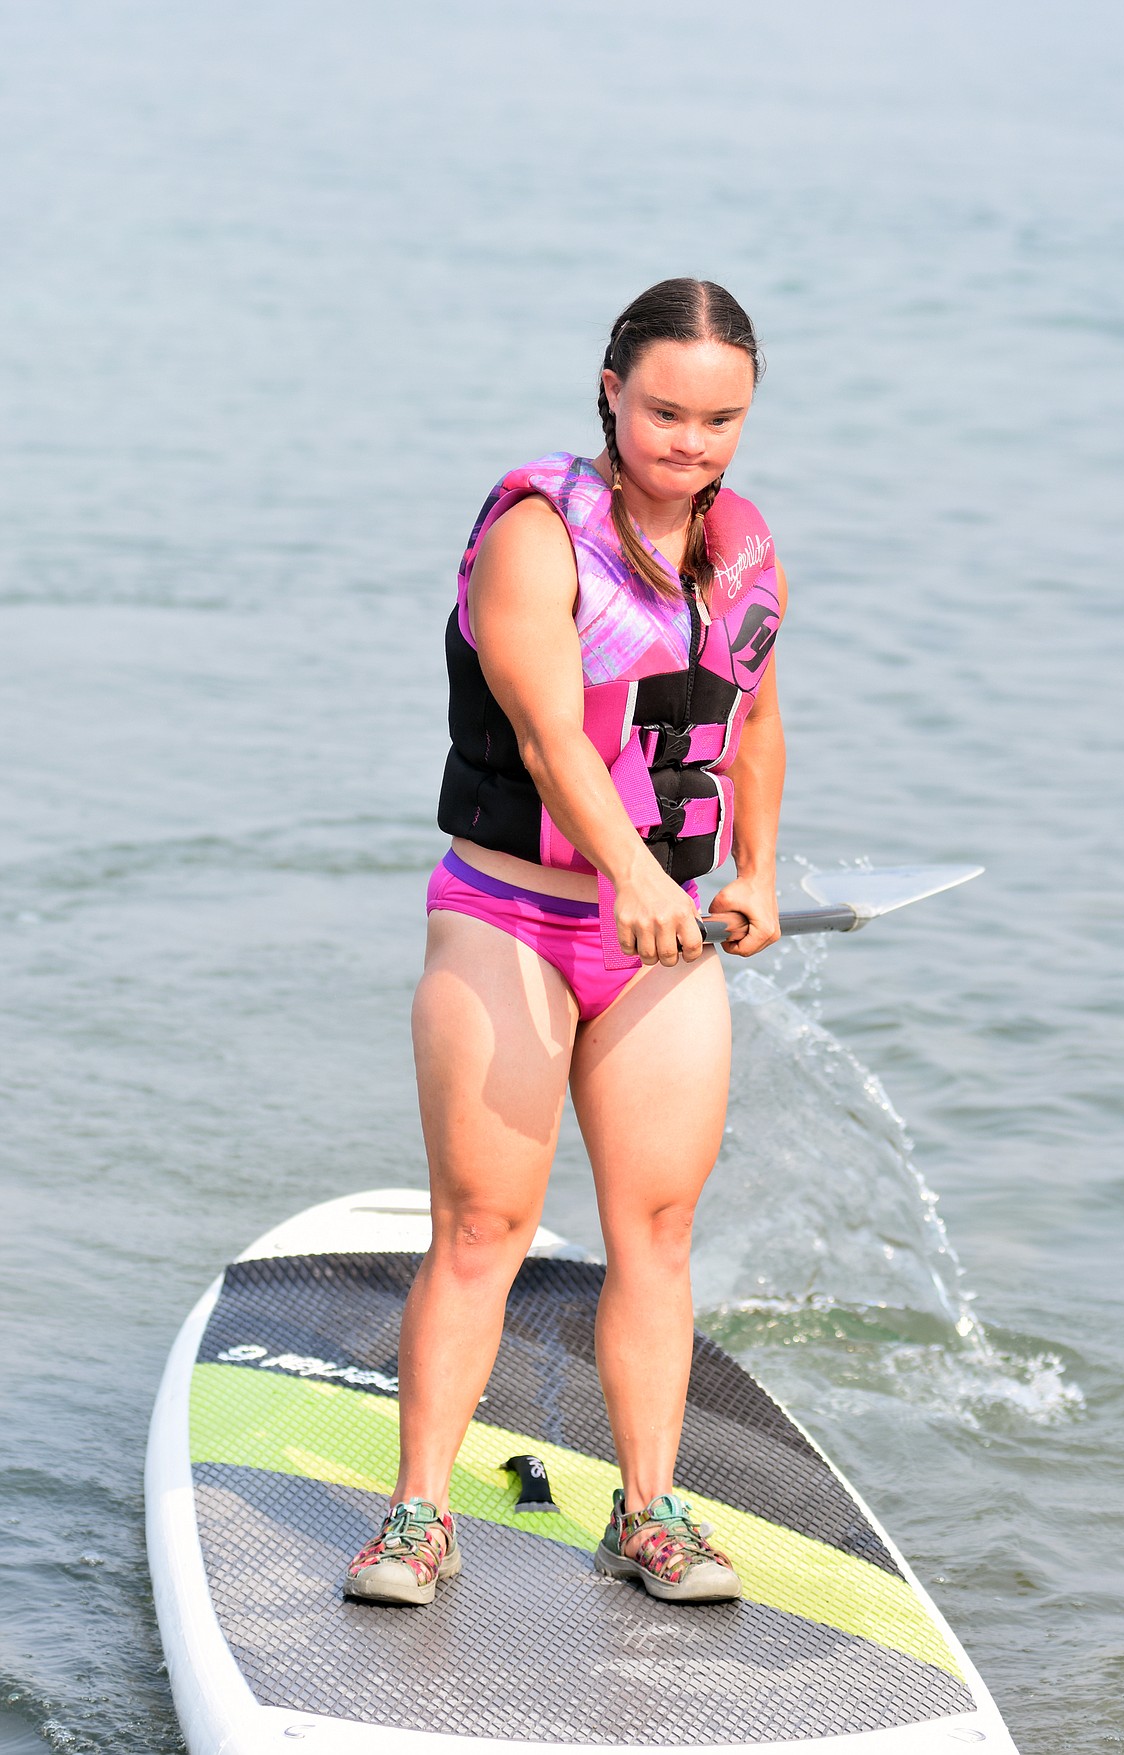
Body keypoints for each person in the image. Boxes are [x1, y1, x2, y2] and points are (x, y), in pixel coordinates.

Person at [345, 278, 786, 1607]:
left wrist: (754, 871)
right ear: (610, 391)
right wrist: (635, 872)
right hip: (510, 915)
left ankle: (647, 1515)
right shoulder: (537, 534)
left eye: (718, 420)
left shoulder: (746, 545)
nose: (689, 442)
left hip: (660, 935)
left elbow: (751, 718)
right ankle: (417, 1517)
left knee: (654, 1231)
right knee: (486, 1226)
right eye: (663, 410)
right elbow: (546, 739)